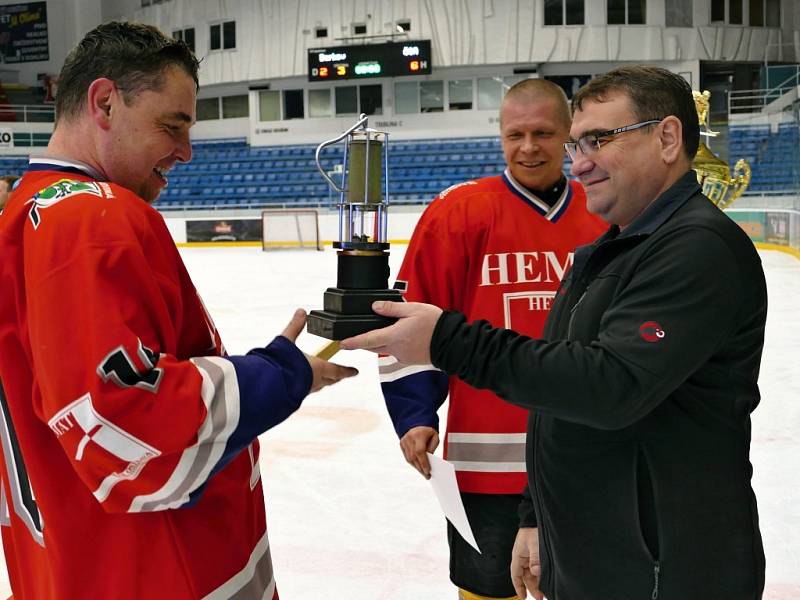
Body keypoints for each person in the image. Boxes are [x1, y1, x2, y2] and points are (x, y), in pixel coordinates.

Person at [342, 64, 767, 600]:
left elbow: (608, 385)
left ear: (667, 138)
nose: (578, 161)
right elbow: (557, 395)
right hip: (559, 511)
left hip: (661, 557)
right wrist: (531, 506)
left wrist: (449, 339)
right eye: (576, 145)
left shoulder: (686, 247)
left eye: (595, 140)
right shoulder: (601, 245)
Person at [0, 22, 356, 599]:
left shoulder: (23, 212)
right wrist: (279, 374)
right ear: (105, 103)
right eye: (173, 126)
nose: (187, 152)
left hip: (70, 565)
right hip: (154, 571)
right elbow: (123, 416)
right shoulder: (90, 217)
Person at [380, 79, 605, 600]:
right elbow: (411, 322)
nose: (528, 147)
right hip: (485, 469)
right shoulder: (456, 212)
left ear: (569, 135)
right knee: (487, 591)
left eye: (543, 133)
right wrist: (414, 414)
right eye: (515, 134)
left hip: (587, 453)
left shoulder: (603, 211)